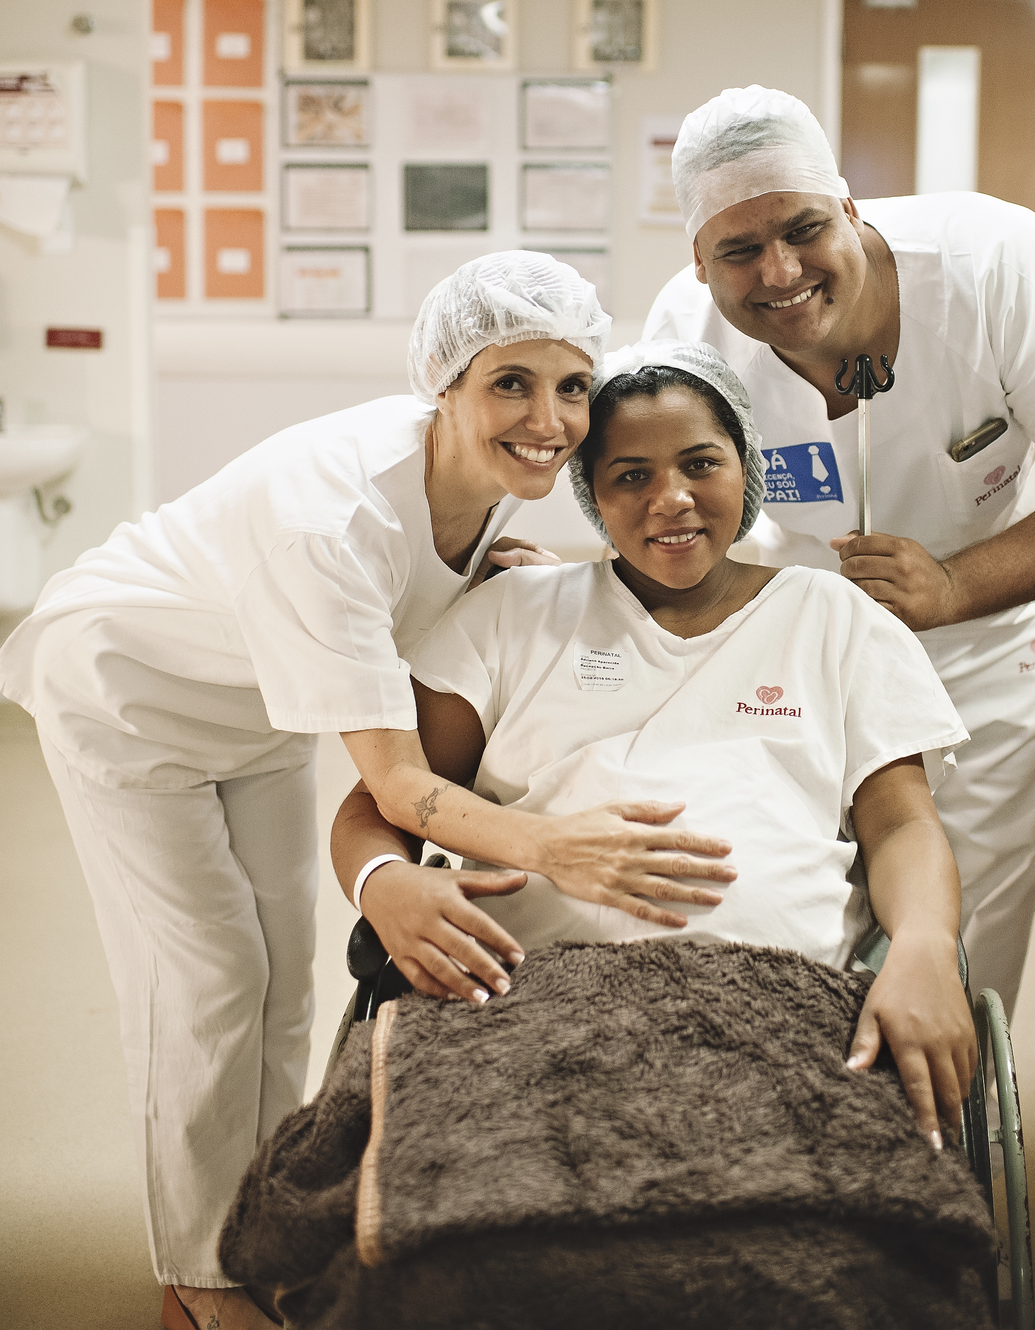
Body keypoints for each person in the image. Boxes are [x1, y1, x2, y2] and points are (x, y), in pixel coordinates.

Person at [0, 251, 651, 1330]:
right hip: (126, 691)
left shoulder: (481, 482)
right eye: (512, 383)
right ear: (444, 381)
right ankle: (202, 1282)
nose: (551, 418)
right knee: (206, 976)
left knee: (283, 981)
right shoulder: (332, 512)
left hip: (257, 709)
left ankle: (258, 1230)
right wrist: (554, 846)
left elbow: (408, 619)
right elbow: (394, 776)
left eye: (573, 384)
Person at [335, 340, 977, 1146]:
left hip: (782, 1000)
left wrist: (922, 944)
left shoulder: (836, 618)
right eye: (631, 475)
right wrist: (382, 883)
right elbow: (378, 804)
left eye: (701, 464)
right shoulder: (510, 616)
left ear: (747, 468)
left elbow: (903, 824)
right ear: (590, 492)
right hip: (530, 1000)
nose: (670, 499)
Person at [640, 84, 1035, 1015]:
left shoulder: (997, 267)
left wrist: (955, 587)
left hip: (994, 651)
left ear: (850, 207)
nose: (779, 271)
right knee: (796, 899)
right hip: (806, 651)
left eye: (803, 228)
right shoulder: (690, 335)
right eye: (738, 249)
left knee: (958, 929)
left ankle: (939, 1137)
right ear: (698, 262)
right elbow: (664, 518)